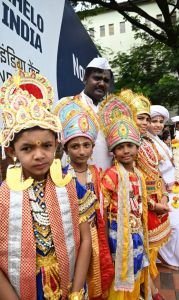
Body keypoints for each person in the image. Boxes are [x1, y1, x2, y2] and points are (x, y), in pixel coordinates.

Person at [0, 70, 91, 300]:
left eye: (46, 146)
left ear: (56, 146)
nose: (39, 155)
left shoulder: (70, 186)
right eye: (27, 148)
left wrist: (77, 291)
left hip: (68, 284)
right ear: (12, 152)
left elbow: (86, 240)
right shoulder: (3, 196)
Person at [54, 97, 114, 300]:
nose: (81, 151)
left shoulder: (98, 174)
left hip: (95, 236)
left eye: (86, 145)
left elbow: (104, 209)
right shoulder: (59, 176)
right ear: (66, 149)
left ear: (92, 146)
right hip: (70, 237)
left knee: (96, 278)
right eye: (75, 146)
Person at [120, 90, 170, 300]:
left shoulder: (148, 141)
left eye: (147, 118)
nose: (145, 122)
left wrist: (165, 197)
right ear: (131, 116)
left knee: (151, 252)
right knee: (141, 251)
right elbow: (131, 179)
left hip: (159, 200)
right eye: (141, 117)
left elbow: (157, 173)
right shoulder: (127, 145)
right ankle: (148, 290)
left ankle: (148, 288)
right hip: (144, 204)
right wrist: (152, 203)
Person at [99, 94, 150, 300]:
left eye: (130, 145)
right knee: (119, 269)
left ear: (138, 147)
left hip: (136, 229)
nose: (126, 151)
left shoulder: (139, 174)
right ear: (113, 151)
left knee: (135, 266)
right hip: (117, 234)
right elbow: (102, 211)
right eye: (120, 147)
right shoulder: (111, 176)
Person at [148, 105, 179, 270]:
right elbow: (152, 171)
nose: (158, 125)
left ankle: (166, 257)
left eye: (160, 122)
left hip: (173, 189)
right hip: (163, 191)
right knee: (170, 225)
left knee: (174, 225)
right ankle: (163, 257)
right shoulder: (146, 142)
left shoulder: (157, 139)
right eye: (153, 121)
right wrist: (166, 186)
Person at [61, 57, 113, 170]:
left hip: (107, 178)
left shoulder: (109, 113)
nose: (102, 84)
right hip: (73, 178)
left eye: (106, 81)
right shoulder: (67, 105)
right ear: (85, 79)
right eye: (97, 78)